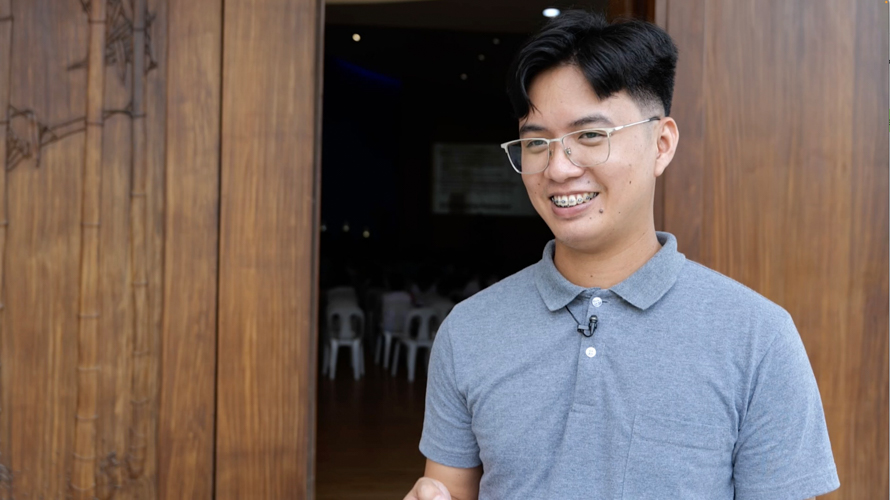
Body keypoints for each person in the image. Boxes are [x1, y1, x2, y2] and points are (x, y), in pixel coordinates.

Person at [403, 10, 839, 500]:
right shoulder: (469, 331)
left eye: (590, 135)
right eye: (536, 142)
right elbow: (447, 490)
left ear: (662, 143)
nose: (559, 167)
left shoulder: (757, 337)